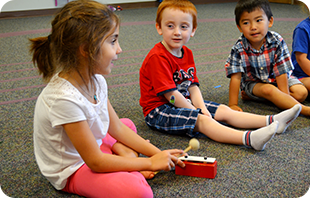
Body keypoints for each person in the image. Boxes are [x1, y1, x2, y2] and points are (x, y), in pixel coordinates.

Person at [30, 1, 185, 197]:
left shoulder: (97, 80)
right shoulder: (63, 100)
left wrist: (158, 153)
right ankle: (125, 161)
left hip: (92, 149)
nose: (119, 49)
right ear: (86, 49)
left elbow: (117, 128)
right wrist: (149, 162)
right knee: (139, 191)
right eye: (113, 41)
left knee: (126, 125)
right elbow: (94, 161)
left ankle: (123, 155)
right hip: (75, 168)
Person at [139, 0, 302, 153]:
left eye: (183, 26)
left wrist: (201, 107)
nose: (177, 32)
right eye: (170, 26)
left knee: (223, 110)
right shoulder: (157, 58)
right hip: (159, 110)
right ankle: (249, 139)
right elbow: (171, 96)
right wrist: (198, 112)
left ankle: (272, 121)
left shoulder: (186, 53)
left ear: (193, 30)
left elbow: (193, 87)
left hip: (182, 100)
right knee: (203, 120)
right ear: (159, 28)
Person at [225, 0, 310, 117]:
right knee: (269, 90)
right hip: (254, 83)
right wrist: (232, 104)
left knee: (301, 93)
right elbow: (235, 78)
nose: (253, 27)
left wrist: (284, 96)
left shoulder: (277, 41)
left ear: (270, 21)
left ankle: (266, 99)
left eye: (258, 20)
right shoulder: (239, 47)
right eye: (246, 23)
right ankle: (304, 110)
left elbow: (281, 72)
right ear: (239, 27)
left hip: (277, 79)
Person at [291, 0, 310, 97]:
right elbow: (301, 59)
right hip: (302, 75)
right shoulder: (303, 29)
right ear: (307, 4)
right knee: (301, 94)